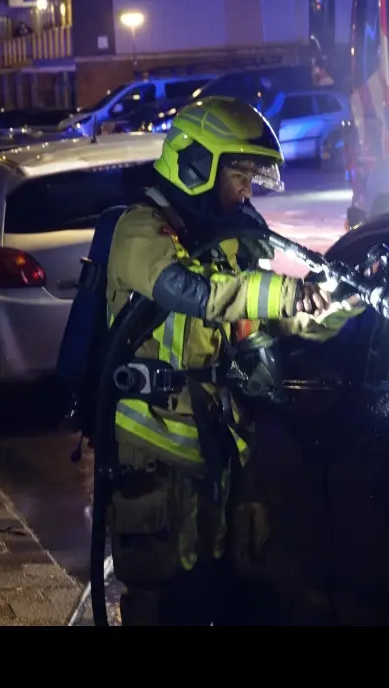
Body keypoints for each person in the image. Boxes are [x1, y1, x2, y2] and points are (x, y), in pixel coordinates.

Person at [104, 95, 361, 625]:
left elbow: (266, 318)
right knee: (163, 599)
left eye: (251, 176)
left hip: (215, 443)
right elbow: (192, 290)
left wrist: (339, 301)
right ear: (197, 163)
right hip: (154, 450)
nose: (246, 189)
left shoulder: (229, 239)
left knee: (217, 592)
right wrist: (284, 291)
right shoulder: (140, 230)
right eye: (238, 174)